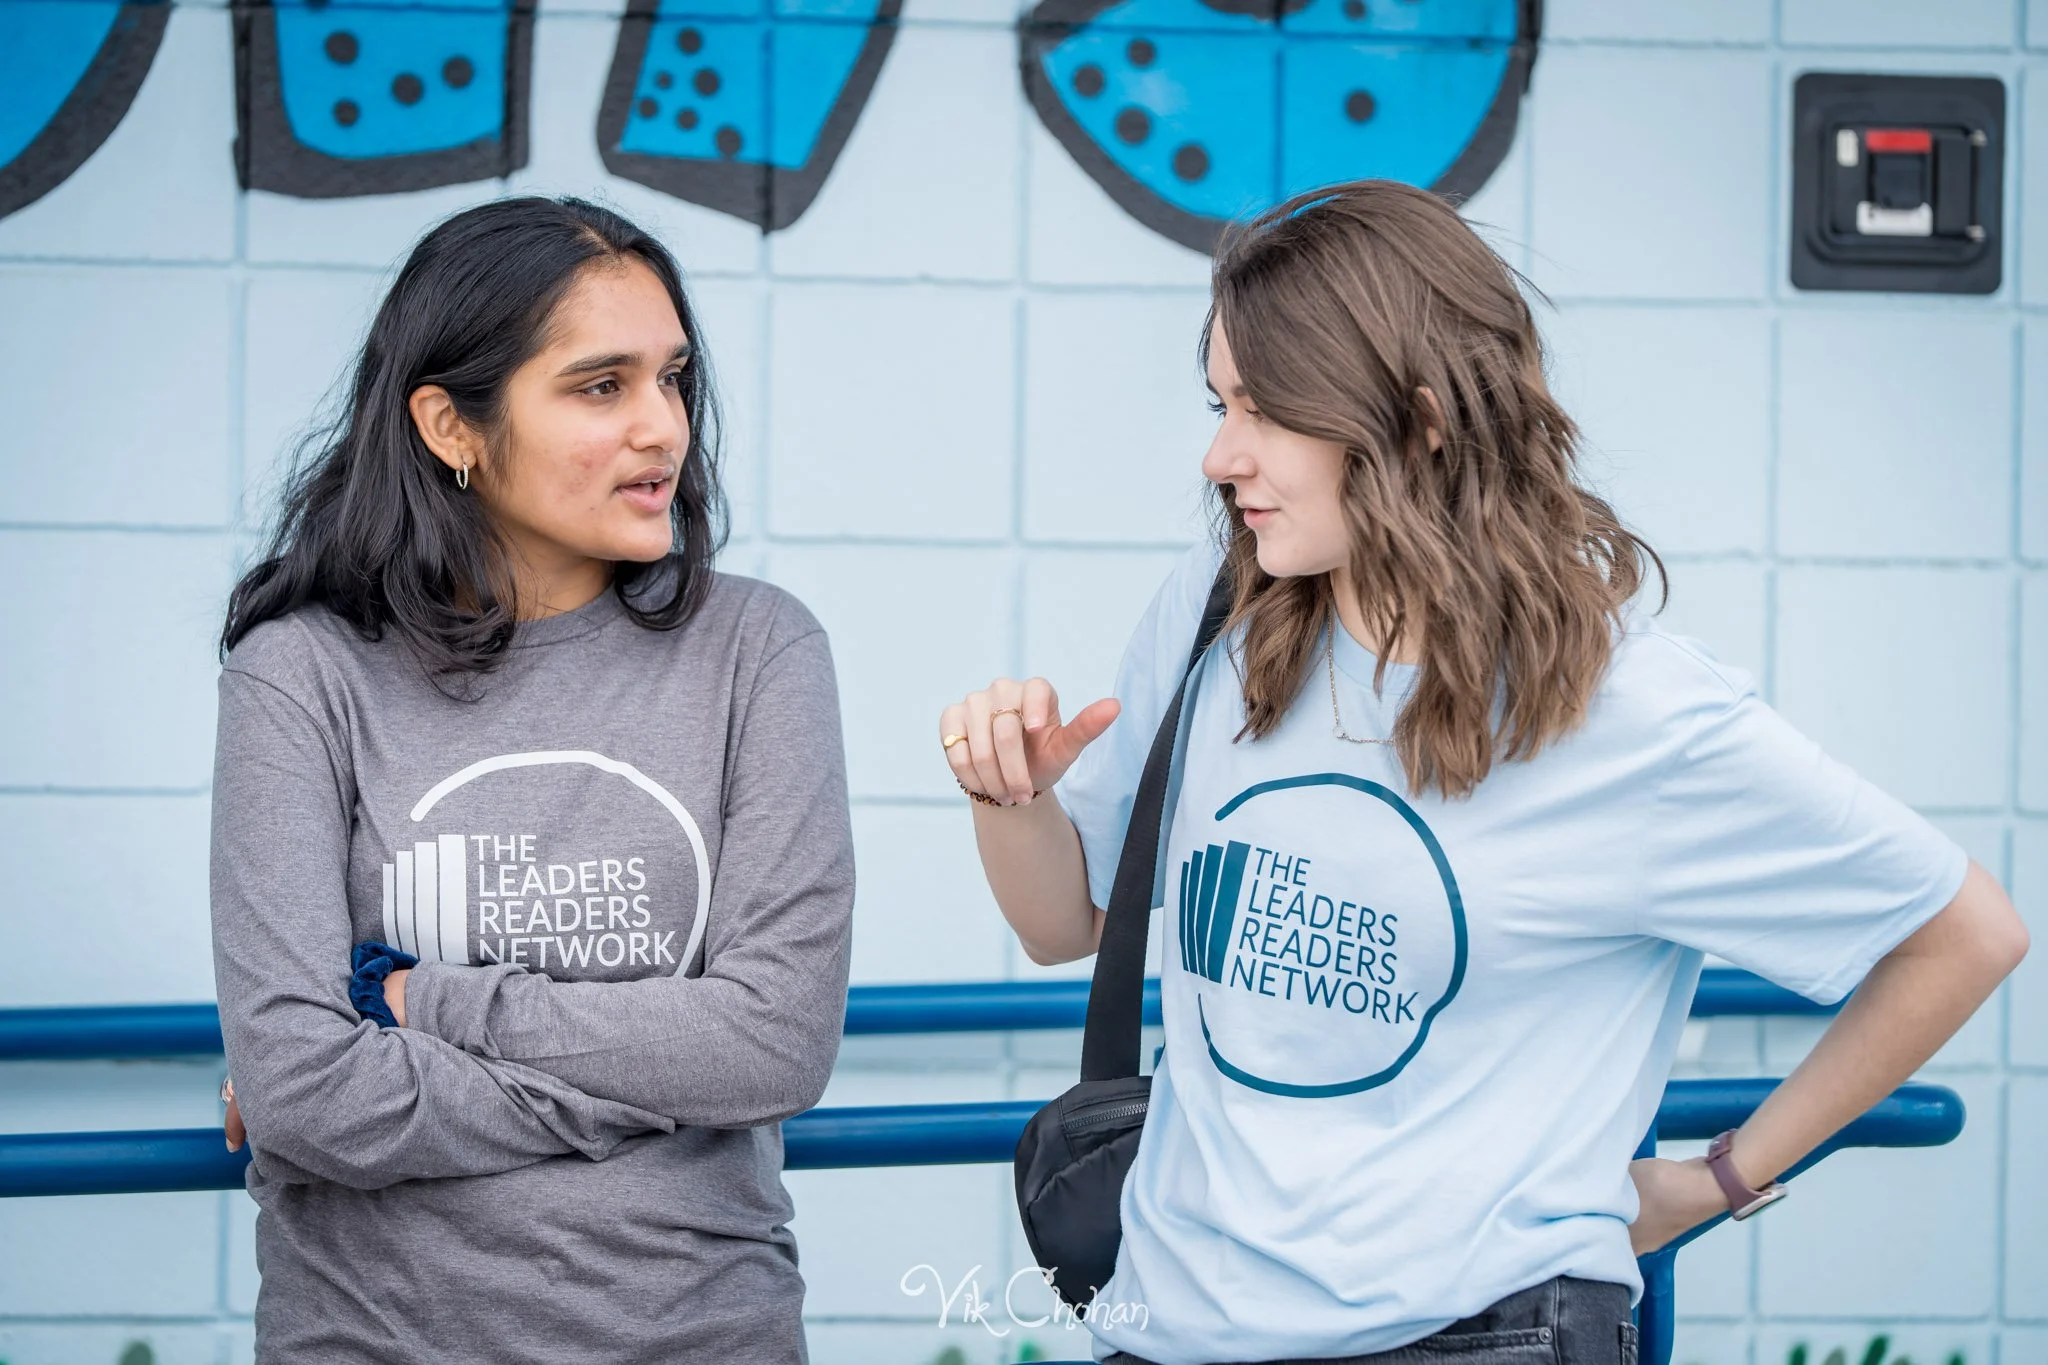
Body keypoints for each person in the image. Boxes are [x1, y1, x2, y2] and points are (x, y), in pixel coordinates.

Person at [938, 180, 2027, 1365]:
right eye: (1217, 401)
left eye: (1263, 409)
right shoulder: (1220, 622)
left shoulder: (1633, 713)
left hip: (1476, 1335)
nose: (1217, 454)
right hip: (1169, 1328)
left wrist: (1717, 1180)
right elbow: (1065, 924)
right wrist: (1012, 796)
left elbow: (1962, 933)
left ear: (1418, 420)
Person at [210, 195, 854, 1362]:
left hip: (698, 1335)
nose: (663, 428)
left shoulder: (760, 650)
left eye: (672, 379)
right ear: (450, 426)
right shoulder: (300, 672)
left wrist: (421, 1004)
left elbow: (773, 1048)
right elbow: (305, 1094)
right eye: (601, 386)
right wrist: (665, 1082)